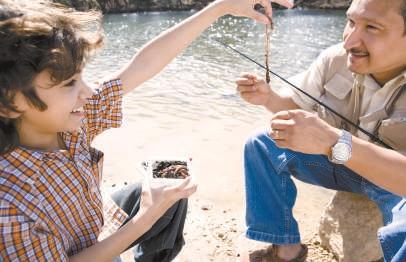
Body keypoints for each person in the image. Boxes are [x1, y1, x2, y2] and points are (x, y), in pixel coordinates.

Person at [0, 0, 293, 261]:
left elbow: (143, 64)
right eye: (69, 84)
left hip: (97, 227)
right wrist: (146, 217)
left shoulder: (67, 122)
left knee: (171, 174)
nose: (88, 92)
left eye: (81, 78)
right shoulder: (9, 205)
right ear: (10, 103)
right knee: (159, 200)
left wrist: (220, 7)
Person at [237, 0, 406, 261]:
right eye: (351, 22)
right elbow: (295, 106)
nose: (350, 41)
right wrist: (268, 97)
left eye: (371, 27)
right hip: (336, 166)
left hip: (395, 184)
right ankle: (286, 248)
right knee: (262, 143)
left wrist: (334, 141)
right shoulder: (335, 58)